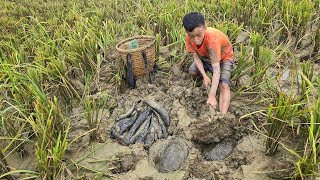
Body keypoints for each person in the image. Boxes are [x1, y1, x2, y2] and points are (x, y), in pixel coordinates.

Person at [182, 12, 234, 114]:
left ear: (205, 27)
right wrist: (205, 76)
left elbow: (216, 69)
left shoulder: (212, 40)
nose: (196, 40)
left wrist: (212, 95)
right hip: (206, 58)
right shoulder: (189, 38)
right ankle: (205, 82)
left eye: (199, 35)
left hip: (223, 59)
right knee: (192, 72)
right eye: (192, 36)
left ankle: (223, 115)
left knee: (223, 85)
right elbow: (196, 57)